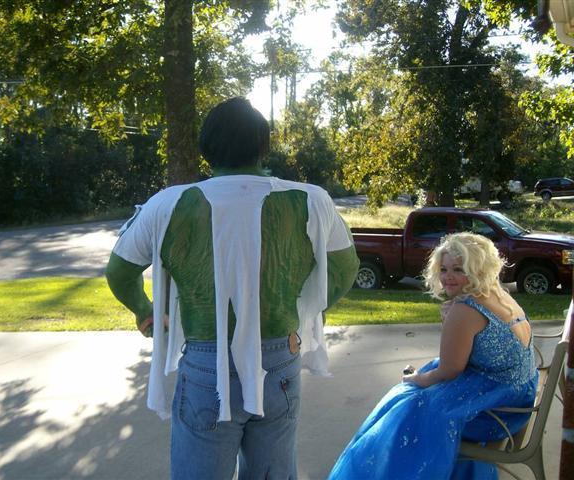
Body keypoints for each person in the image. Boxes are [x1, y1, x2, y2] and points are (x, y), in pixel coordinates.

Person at [105, 97, 359, 480]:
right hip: (281, 358)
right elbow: (345, 267)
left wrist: (146, 312)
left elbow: (119, 271)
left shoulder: (167, 204)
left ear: (206, 147)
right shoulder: (311, 199)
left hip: (206, 364)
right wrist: (309, 314)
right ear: (263, 145)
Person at [328, 232, 538, 480]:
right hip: (520, 394)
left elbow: (450, 371)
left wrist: (415, 378)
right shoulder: (498, 293)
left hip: (500, 412)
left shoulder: (466, 309)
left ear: (478, 270)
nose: (448, 276)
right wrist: (452, 321)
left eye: (459, 269)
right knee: (415, 398)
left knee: (406, 404)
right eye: (444, 269)